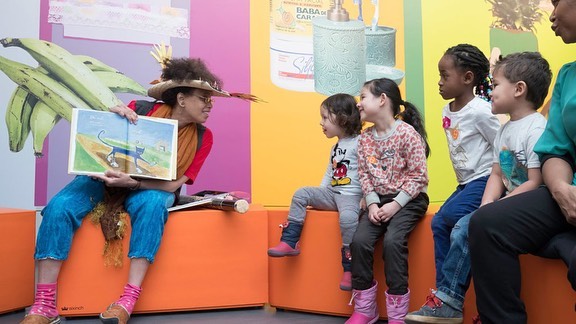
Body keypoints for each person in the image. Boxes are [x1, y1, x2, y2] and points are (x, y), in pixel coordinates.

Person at [20, 57, 242, 324]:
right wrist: (114, 118)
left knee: (153, 204)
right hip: (105, 180)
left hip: (150, 188)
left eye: (211, 100)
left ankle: (127, 300)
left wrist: (133, 183)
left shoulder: (203, 137)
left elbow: (173, 185)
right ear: (181, 99)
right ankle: (45, 306)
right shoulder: (140, 109)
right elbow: (102, 142)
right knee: (60, 206)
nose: (209, 105)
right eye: (204, 98)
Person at [405, 52, 552, 324]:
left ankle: (450, 300)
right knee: (464, 225)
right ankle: (462, 302)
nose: (489, 91)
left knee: (463, 227)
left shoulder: (536, 127)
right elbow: (497, 173)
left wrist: (494, 209)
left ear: (519, 89)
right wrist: (486, 207)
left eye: (495, 85)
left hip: (525, 205)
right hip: (504, 203)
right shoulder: (506, 130)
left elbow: (535, 181)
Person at [468, 1, 576, 322]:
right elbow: (556, 150)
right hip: (566, 194)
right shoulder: (568, 76)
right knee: (485, 224)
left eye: (559, 2)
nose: (552, 15)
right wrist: (560, 188)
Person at [346, 78, 430, 324]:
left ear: (382, 100)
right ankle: (364, 309)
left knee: (393, 242)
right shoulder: (364, 139)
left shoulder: (407, 134)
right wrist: (372, 203)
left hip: (409, 199)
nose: (358, 103)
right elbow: (364, 175)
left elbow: (418, 176)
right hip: (378, 201)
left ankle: (397, 314)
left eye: (363, 97)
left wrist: (395, 205)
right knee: (359, 242)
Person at [267, 93, 363, 291]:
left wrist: (367, 199)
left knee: (347, 220)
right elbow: (330, 172)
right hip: (332, 194)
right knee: (301, 193)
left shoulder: (361, 143)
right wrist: (319, 194)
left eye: (325, 117)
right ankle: (290, 241)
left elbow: (368, 173)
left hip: (351, 197)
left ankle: (349, 269)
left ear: (342, 118)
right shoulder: (336, 146)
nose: (321, 122)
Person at [431, 44, 500, 290]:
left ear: (467, 78)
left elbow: (501, 144)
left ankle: (449, 290)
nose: (439, 82)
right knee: (438, 223)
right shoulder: (446, 109)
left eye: (444, 76)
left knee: (450, 216)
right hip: (465, 183)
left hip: (484, 179)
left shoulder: (481, 111)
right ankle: (442, 290)